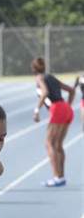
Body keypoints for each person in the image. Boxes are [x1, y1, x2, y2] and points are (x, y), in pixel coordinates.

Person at [31, 57, 75, 187]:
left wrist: (37, 110)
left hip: (57, 108)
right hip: (65, 108)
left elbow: (45, 92)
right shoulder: (51, 76)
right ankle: (61, 177)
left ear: (33, 68)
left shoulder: (39, 78)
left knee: (49, 143)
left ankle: (57, 177)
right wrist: (67, 106)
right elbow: (71, 90)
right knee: (58, 145)